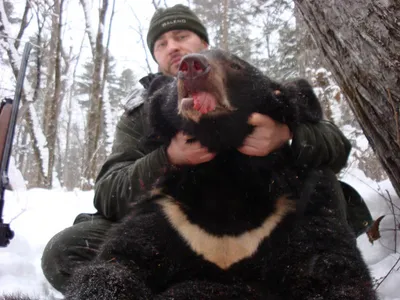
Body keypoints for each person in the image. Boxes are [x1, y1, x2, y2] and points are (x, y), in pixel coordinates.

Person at [41, 4, 373, 293]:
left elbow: (335, 145)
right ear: (155, 56)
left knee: (321, 189)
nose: (174, 48)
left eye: (182, 37)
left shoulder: (251, 83)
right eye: (162, 43)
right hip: (173, 235)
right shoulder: (142, 113)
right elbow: (109, 194)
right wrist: (167, 158)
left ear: (203, 41)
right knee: (65, 251)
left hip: (272, 229)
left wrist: (287, 133)